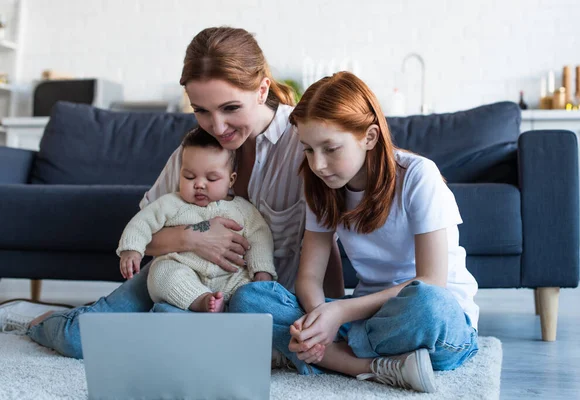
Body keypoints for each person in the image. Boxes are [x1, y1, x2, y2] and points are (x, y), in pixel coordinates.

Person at [0, 26, 344, 359]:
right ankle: (36, 318)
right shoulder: (196, 147)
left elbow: (326, 242)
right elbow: (144, 237)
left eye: (230, 108)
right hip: (178, 275)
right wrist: (194, 239)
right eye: (202, 111)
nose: (218, 128)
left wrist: (332, 315)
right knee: (83, 341)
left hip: (244, 294)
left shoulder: (303, 142)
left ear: (261, 89)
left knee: (180, 348)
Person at [228, 72, 480, 393]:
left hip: (434, 322)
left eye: (330, 148)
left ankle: (324, 358)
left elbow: (431, 281)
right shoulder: (320, 184)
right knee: (249, 299)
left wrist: (338, 313)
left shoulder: (418, 175)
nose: (318, 164)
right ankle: (373, 365)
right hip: (361, 319)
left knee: (429, 304)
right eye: (308, 149)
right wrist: (322, 320)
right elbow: (308, 277)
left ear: (370, 137)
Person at [118, 127, 277, 313]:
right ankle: (201, 300)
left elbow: (260, 237)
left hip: (231, 277)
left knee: (251, 292)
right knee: (160, 273)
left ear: (231, 180)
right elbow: (142, 222)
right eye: (189, 176)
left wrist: (262, 270)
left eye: (211, 178)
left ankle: (230, 307)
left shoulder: (243, 210)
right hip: (184, 272)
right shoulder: (171, 203)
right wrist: (131, 250)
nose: (199, 184)